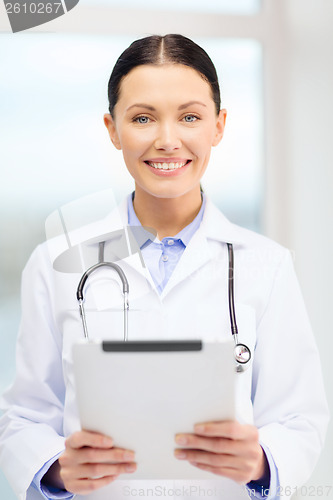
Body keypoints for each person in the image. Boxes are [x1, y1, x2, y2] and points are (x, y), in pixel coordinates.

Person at [0, 34, 329, 500]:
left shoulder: (266, 266)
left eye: (190, 117)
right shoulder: (55, 265)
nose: (167, 140)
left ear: (219, 125)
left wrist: (259, 461)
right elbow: (26, 416)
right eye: (142, 118)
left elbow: (299, 417)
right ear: (113, 129)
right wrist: (56, 470)